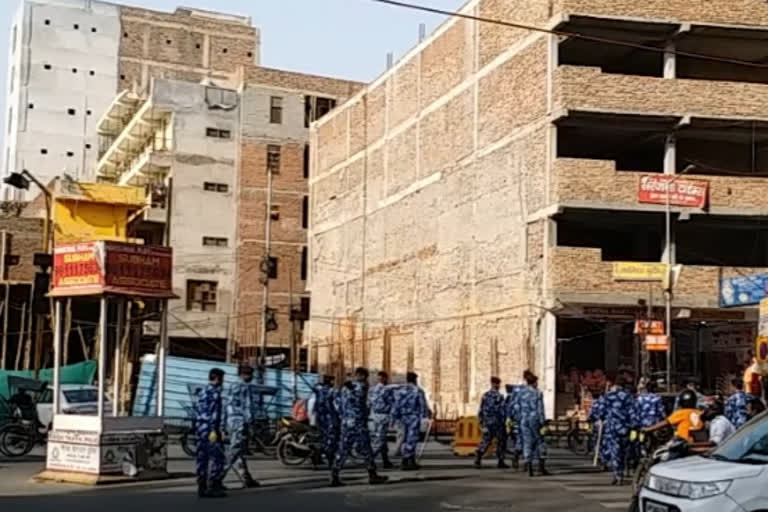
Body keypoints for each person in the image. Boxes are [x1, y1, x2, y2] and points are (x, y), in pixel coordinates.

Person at [331, 367, 388, 487]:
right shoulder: (360, 386)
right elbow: (360, 398)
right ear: (362, 376)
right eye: (366, 377)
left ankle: (334, 474)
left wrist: (343, 415)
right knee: (366, 449)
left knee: (343, 448)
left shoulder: (345, 388)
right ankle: (372, 474)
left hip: (346, 422)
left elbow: (336, 403)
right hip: (358, 422)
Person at [588, 376, 635, 485]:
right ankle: (621, 473)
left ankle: (617, 474)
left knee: (615, 451)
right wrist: (634, 425)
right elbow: (632, 412)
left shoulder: (608, 396)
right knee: (624, 451)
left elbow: (600, 411)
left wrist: (597, 419)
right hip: (624, 427)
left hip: (611, 428)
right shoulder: (628, 396)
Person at [224, 364, 259, 488]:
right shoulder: (243, 387)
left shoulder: (233, 385)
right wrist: (249, 422)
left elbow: (227, 405)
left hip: (233, 422)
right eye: (249, 374)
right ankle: (216, 477)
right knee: (235, 450)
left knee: (239, 452)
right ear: (244, 375)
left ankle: (246, 478)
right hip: (239, 422)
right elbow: (247, 407)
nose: (251, 377)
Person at [195, 368, 226, 498]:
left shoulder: (202, 391)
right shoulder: (214, 393)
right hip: (210, 429)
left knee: (202, 457)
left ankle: (201, 485)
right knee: (217, 457)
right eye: (222, 379)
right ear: (217, 379)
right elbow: (213, 415)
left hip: (200, 428)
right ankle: (213, 485)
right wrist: (217, 431)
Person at [392, 372, 430, 470]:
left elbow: (396, 405)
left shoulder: (400, 390)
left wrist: (394, 417)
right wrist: (425, 416)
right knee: (412, 439)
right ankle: (406, 460)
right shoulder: (417, 390)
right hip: (413, 417)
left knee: (404, 438)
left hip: (403, 417)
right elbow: (422, 404)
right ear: (415, 380)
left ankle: (410, 460)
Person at [515, 371, 549, 477]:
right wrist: (543, 422)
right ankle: (541, 466)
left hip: (524, 420)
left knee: (527, 442)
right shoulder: (537, 393)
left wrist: (517, 419)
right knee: (540, 442)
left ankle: (529, 465)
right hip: (535, 420)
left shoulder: (521, 392)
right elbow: (540, 409)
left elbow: (516, 407)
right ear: (534, 383)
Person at [474, 376, 509, 469]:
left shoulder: (485, 395)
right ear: (496, 384)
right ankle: (501, 460)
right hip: (498, 422)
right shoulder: (499, 396)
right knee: (501, 441)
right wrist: (504, 421)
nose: (498, 385)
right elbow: (503, 410)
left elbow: (481, 408)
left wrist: (481, 420)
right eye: (498, 384)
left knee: (486, 440)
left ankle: (479, 456)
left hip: (488, 422)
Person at [309, 375, 339, 468]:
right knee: (331, 440)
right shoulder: (330, 391)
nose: (334, 383)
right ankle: (329, 460)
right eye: (332, 381)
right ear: (330, 382)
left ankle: (317, 455)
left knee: (323, 439)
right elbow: (333, 406)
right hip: (328, 418)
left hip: (320, 417)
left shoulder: (319, 389)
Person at [369, 371, 395, 469]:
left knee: (382, 439)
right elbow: (392, 404)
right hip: (383, 416)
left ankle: (386, 460)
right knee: (380, 440)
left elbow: (369, 403)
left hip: (375, 416)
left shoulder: (372, 390)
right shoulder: (387, 390)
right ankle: (370, 460)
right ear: (385, 378)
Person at [504, 383, 523, 469]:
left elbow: (508, 413)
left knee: (518, 442)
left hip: (515, 425)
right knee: (520, 443)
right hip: (518, 425)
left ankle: (516, 457)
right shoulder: (518, 402)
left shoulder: (511, 401)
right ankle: (516, 457)